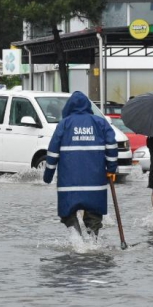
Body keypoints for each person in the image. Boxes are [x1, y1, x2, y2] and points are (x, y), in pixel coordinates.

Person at [42, 91, 117, 240]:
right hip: (95, 183)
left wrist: (48, 176)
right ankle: (92, 242)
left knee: (67, 213)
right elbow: (112, 147)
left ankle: (77, 242)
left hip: (69, 184)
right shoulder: (101, 123)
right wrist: (111, 169)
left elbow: (52, 152)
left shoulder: (64, 124)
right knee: (94, 216)